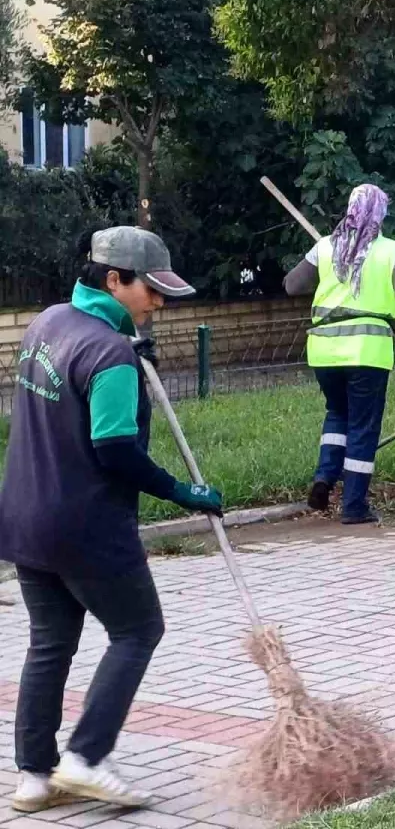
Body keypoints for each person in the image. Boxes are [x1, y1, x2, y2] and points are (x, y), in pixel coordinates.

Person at [0, 226, 224, 812]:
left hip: (25, 516)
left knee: (49, 644)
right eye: (150, 290)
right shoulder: (110, 354)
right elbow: (116, 449)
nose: (158, 302)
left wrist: (125, 346)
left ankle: (34, 775)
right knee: (137, 630)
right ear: (113, 280)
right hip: (87, 526)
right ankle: (86, 758)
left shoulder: (47, 324)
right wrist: (182, 491)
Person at [284, 183, 395, 524]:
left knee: (337, 414)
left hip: (324, 352)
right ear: (381, 214)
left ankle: (324, 478)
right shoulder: (391, 251)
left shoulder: (325, 247)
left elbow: (292, 285)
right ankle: (354, 506)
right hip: (366, 351)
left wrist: (326, 265)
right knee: (362, 426)